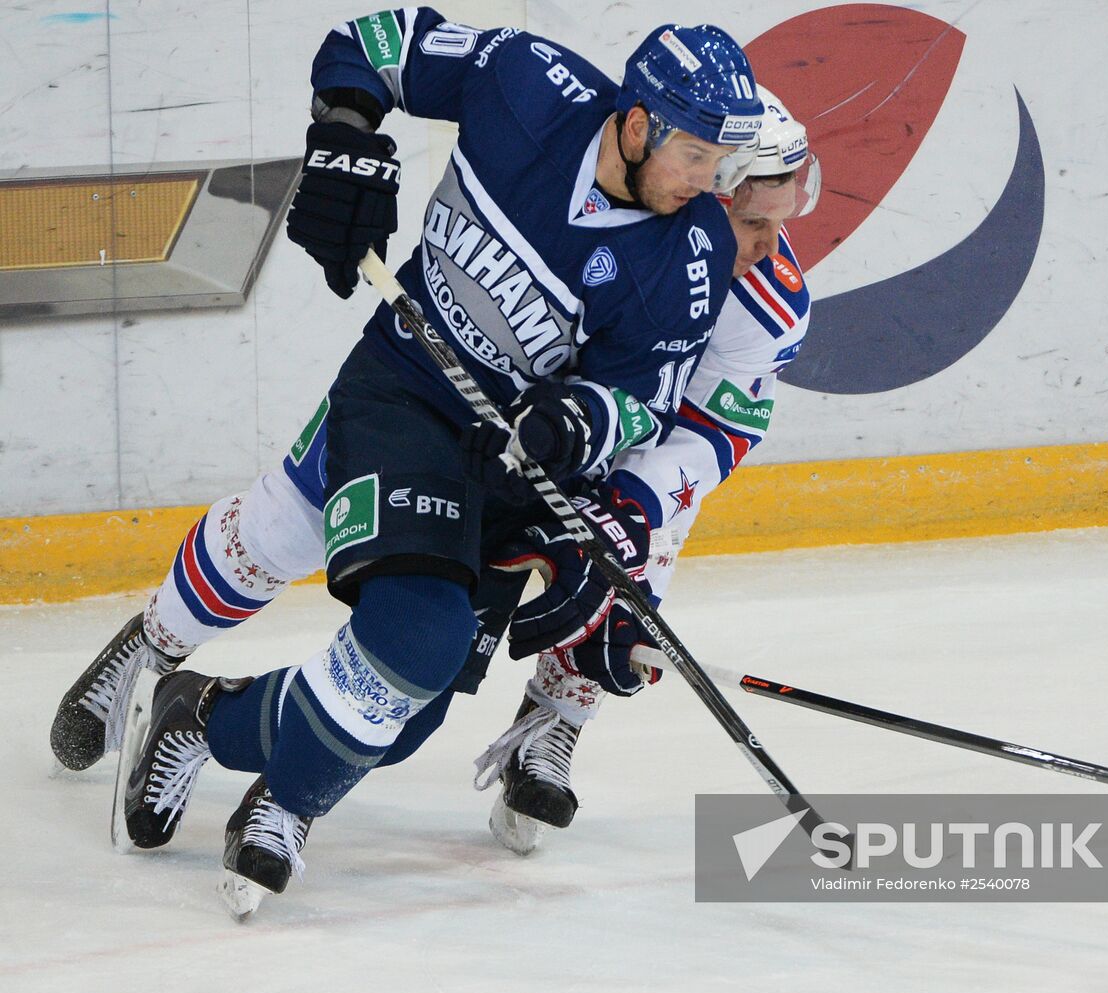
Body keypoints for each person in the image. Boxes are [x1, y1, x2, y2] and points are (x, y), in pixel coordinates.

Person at [65, 9, 764, 917]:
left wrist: (575, 420)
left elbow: (642, 396)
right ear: (637, 122)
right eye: (696, 156)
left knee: (405, 714)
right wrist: (344, 135)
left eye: (721, 163)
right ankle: (279, 793)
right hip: (405, 391)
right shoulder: (527, 84)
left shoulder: (692, 251)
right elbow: (377, 44)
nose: (708, 182)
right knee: (378, 612)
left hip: (508, 464)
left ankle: (202, 717)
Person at [473, 86, 819, 853]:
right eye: (749, 222)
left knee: (634, 570)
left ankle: (551, 727)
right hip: (521, 435)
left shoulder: (767, 305)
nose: (768, 247)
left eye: (778, 221)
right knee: (428, 656)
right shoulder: (601, 225)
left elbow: (718, 433)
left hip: (629, 456)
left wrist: (630, 509)